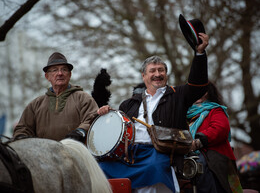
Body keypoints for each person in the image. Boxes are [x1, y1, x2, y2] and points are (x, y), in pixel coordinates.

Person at [97, 29, 209, 192]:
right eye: (152, 71)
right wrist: (107, 114)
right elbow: (117, 128)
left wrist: (200, 54)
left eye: (161, 70)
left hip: (159, 152)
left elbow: (198, 85)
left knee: (155, 168)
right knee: (101, 167)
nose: (157, 74)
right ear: (144, 76)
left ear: (166, 74)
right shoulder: (128, 104)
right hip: (130, 154)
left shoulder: (178, 95)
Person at [13, 52, 99, 143]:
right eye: (54, 70)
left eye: (64, 69)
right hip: (44, 154)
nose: (60, 73)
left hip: (75, 153)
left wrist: (80, 131)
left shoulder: (83, 98)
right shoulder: (35, 104)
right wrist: (21, 137)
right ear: (47, 76)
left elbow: (92, 119)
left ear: (70, 75)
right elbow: (23, 129)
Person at [186, 81, 243, 193]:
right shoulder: (186, 114)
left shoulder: (216, 110)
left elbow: (220, 129)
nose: (199, 93)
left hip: (214, 159)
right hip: (190, 158)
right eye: (195, 91)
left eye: (203, 91)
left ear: (209, 93)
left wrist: (198, 142)